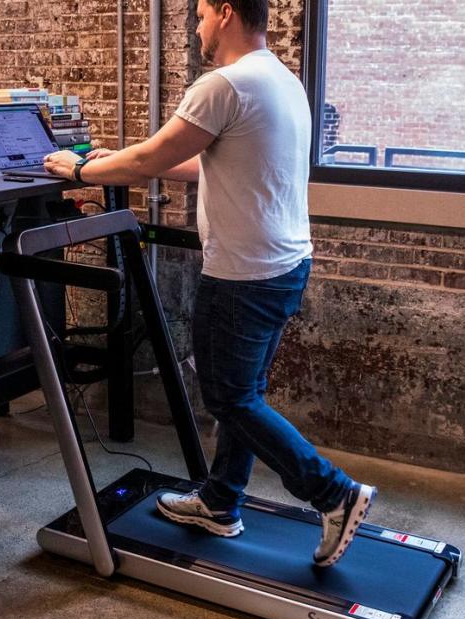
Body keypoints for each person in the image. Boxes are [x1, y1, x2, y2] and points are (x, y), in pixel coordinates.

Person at [43, 0, 375, 567]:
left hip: (245, 275)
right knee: (246, 393)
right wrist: (121, 158)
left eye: (198, 14)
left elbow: (147, 160)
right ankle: (221, 503)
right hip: (285, 265)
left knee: (229, 396)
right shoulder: (282, 80)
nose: (196, 27)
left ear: (225, 12)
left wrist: (78, 169)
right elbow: (208, 159)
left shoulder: (223, 84)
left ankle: (334, 494)